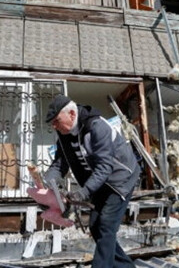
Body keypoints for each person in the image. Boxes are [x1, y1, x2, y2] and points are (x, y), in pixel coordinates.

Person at [44, 95, 140, 268]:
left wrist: (83, 192)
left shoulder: (97, 127)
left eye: (56, 120)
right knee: (96, 227)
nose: (54, 126)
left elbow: (105, 167)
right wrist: (50, 180)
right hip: (100, 182)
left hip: (120, 179)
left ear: (72, 114)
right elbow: (60, 163)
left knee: (106, 227)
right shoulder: (64, 135)